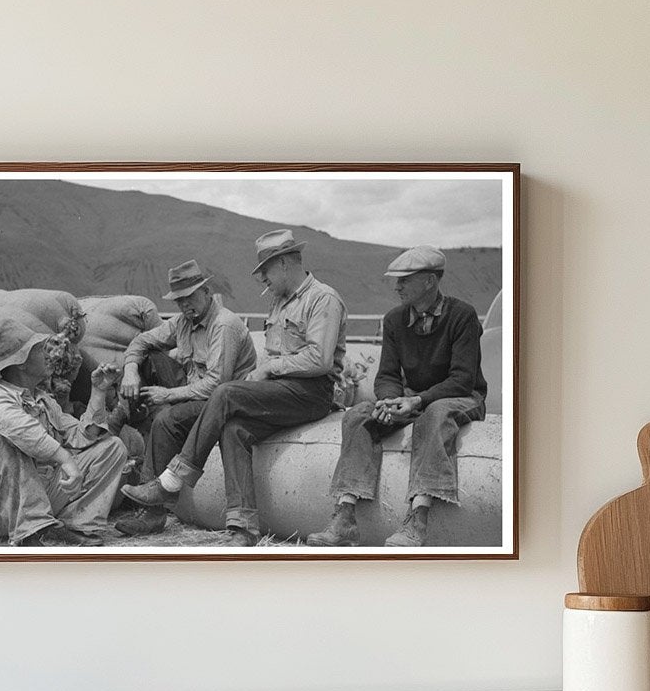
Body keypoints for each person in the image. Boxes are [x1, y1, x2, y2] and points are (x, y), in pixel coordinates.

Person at [121, 229, 347, 546]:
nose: (262, 280)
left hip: (311, 392)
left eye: (264, 271)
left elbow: (320, 359)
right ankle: (243, 526)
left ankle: (173, 480)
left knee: (226, 392)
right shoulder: (280, 303)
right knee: (234, 429)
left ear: (283, 264)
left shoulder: (322, 299)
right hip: (281, 392)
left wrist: (269, 368)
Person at [306, 245, 487, 548]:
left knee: (435, 414)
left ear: (430, 281)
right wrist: (388, 402)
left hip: (460, 396)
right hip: (413, 397)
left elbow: (462, 379)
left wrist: (417, 401)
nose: (397, 286)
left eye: (404, 279)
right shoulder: (394, 320)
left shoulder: (463, 316)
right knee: (358, 415)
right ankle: (345, 517)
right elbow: (388, 375)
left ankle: (418, 520)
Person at [0, 309, 126, 547]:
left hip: (33, 492)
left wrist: (98, 392)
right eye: (39, 349)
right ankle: (31, 530)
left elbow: (81, 436)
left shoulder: (43, 400)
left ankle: (70, 525)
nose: (49, 354)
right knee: (7, 435)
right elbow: (20, 429)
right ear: (21, 362)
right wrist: (65, 460)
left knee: (112, 447)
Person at [115, 260, 256, 536]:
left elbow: (218, 385)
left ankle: (154, 511)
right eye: (179, 301)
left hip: (227, 403)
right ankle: (132, 420)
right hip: (198, 396)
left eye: (189, 297)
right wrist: (130, 370)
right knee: (150, 359)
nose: (184, 306)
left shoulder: (223, 325)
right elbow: (141, 341)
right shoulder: (181, 322)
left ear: (206, 291)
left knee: (167, 420)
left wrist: (168, 394)